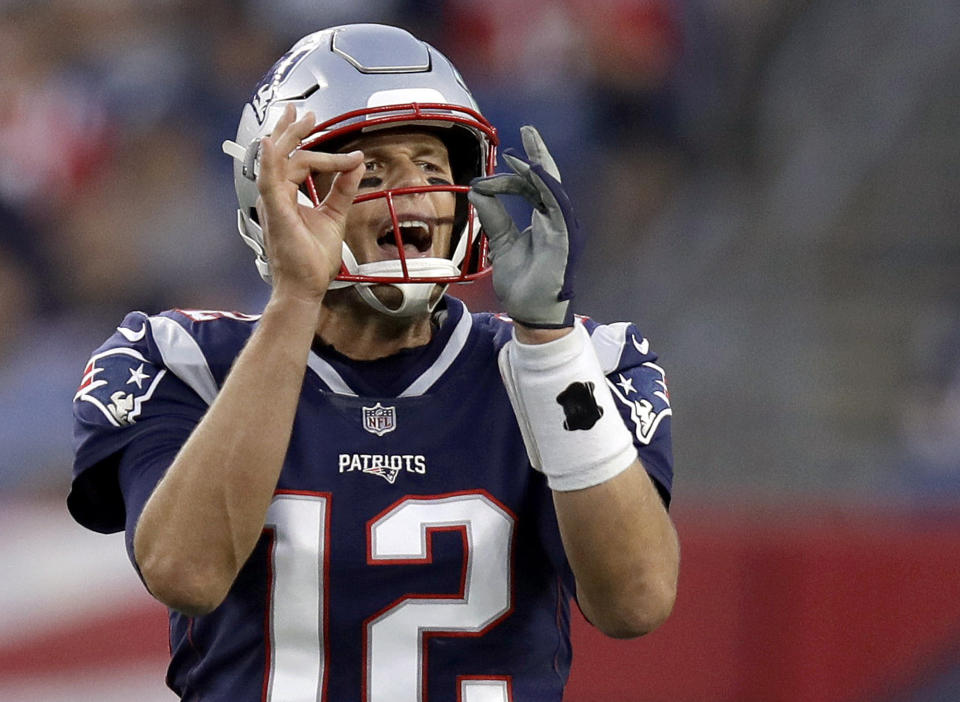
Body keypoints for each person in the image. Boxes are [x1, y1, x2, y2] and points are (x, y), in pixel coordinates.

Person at [68, 23, 679, 702]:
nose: (412, 193)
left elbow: (636, 601)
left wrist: (552, 350)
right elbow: (186, 570)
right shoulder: (180, 359)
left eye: (431, 165)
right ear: (278, 194)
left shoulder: (579, 364)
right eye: (370, 171)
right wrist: (297, 296)